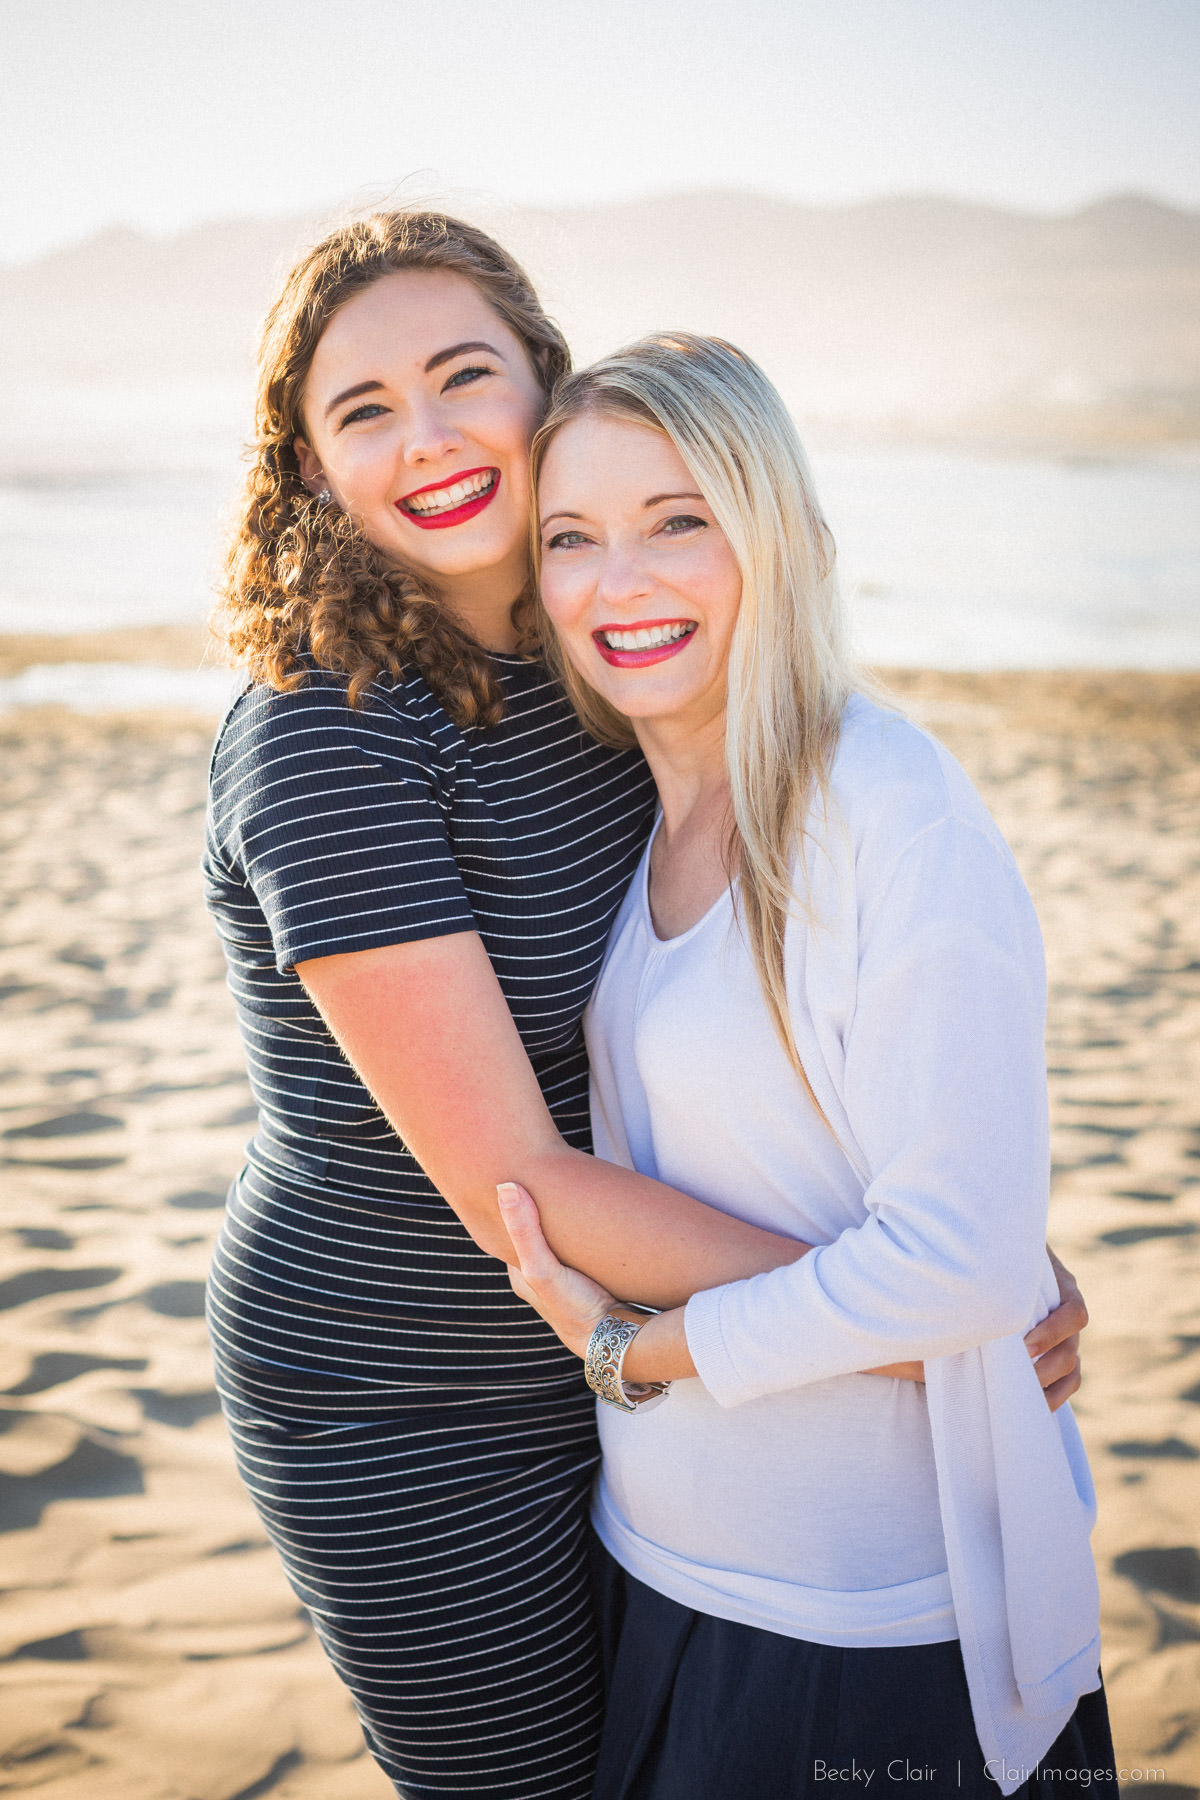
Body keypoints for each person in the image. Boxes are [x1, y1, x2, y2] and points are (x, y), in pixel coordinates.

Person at [203, 210, 1087, 1800]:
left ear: (542, 384)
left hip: (625, 1369)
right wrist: (934, 1319)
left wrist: (960, 1233)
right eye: (364, 410)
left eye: (463, 376)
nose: (428, 438)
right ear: (308, 467)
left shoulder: (601, 667)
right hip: (412, 1396)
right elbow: (518, 1179)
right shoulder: (326, 731)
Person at [499, 331, 1115, 1798]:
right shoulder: (644, 820)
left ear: (774, 533)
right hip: (659, 1571)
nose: (617, 582)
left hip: (871, 1624)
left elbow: (962, 1268)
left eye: (677, 521)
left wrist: (637, 1350)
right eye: (570, 537)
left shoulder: (884, 805)